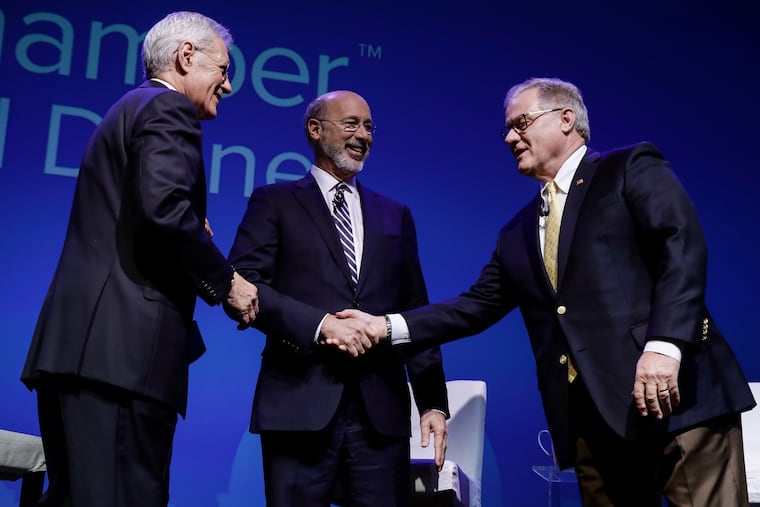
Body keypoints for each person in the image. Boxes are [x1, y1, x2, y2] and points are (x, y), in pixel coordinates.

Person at [337, 77, 756, 506]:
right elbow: (474, 307)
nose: (510, 137)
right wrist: (384, 326)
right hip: (592, 425)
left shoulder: (627, 168)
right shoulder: (517, 231)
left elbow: (680, 246)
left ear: (566, 119)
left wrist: (665, 346)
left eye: (521, 123)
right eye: (506, 130)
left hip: (675, 399)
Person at [20, 11, 259, 507]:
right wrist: (227, 281)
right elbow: (164, 210)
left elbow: (151, 211)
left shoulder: (128, 109)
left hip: (82, 353)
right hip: (121, 359)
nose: (229, 85)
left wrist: (185, 219)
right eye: (223, 68)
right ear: (185, 56)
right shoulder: (169, 109)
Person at [227, 90, 449, 507]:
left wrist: (433, 402)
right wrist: (321, 325)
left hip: (379, 415)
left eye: (368, 126)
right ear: (315, 130)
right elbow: (243, 285)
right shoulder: (274, 202)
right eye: (351, 124)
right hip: (298, 404)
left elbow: (415, 312)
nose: (362, 134)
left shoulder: (393, 214)